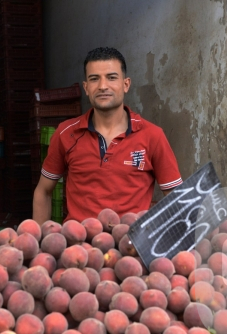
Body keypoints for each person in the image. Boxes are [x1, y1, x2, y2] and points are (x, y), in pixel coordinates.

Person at [32, 47, 183, 225]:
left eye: (111, 77)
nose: (103, 86)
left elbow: (176, 199)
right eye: (94, 79)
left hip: (130, 245)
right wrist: (40, 241)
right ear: (86, 88)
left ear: (126, 84)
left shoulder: (152, 136)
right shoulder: (66, 133)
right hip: (79, 246)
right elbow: (43, 191)